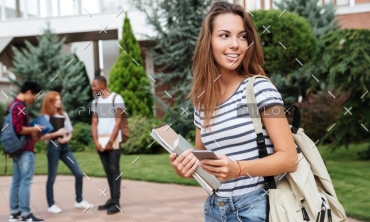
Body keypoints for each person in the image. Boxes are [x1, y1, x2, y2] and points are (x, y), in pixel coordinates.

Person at [169, 2, 297, 222]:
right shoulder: (203, 101)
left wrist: (238, 168)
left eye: (243, 36)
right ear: (208, 41)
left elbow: (289, 158)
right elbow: (204, 162)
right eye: (225, 35)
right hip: (215, 209)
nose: (235, 44)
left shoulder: (260, 90)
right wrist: (187, 168)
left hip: (255, 208)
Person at [38, 91, 93, 213]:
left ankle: (79, 201)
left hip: (65, 148)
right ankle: (51, 205)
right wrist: (56, 134)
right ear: (50, 101)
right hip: (53, 148)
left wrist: (67, 138)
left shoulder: (64, 114)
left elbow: (70, 131)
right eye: (57, 100)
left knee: (78, 173)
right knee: (52, 177)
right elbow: (41, 137)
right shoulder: (45, 117)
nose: (60, 101)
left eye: (60, 99)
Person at [7, 81, 44, 222]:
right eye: (35, 96)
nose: (34, 99)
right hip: (24, 150)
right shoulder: (19, 106)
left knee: (16, 181)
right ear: (29, 92)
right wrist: (35, 129)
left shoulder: (12, 105)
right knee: (25, 181)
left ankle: (14, 213)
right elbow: (18, 129)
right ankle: (25, 215)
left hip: (16, 148)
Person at [91, 76, 125, 215]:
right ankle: (112, 199)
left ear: (103, 85)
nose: (92, 88)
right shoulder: (96, 102)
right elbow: (94, 123)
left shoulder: (116, 98)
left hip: (114, 141)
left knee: (114, 169)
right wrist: (96, 141)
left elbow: (118, 122)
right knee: (107, 171)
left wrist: (111, 141)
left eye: (94, 85)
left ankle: (116, 202)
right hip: (101, 142)